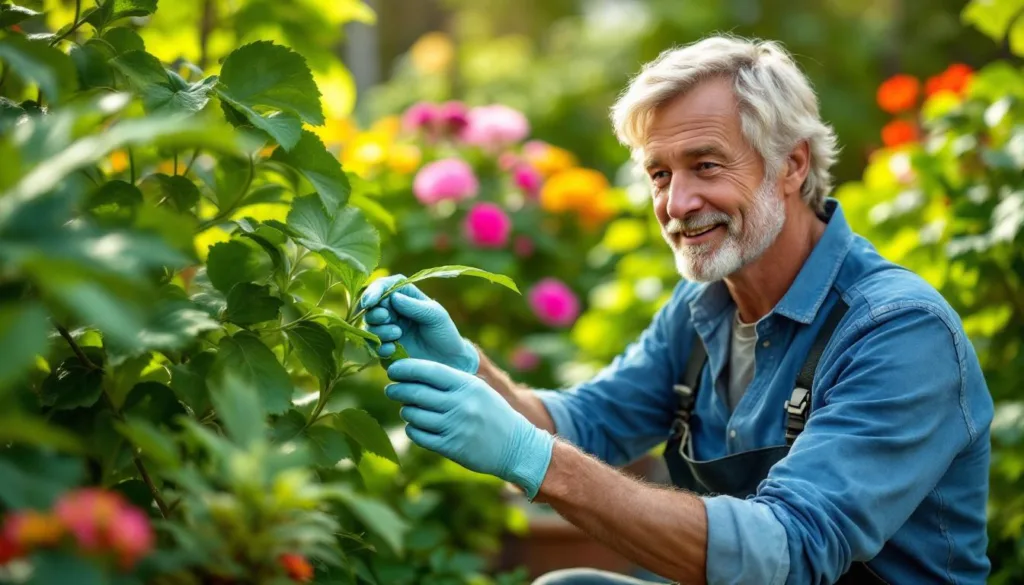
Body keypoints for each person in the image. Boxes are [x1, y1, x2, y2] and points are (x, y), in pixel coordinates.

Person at [358, 35, 994, 585]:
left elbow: (791, 551)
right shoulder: (703, 307)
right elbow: (589, 425)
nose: (678, 202)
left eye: (706, 166)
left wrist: (532, 457)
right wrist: (470, 371)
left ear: (792, 164)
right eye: (659, 174)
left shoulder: (896, 330)